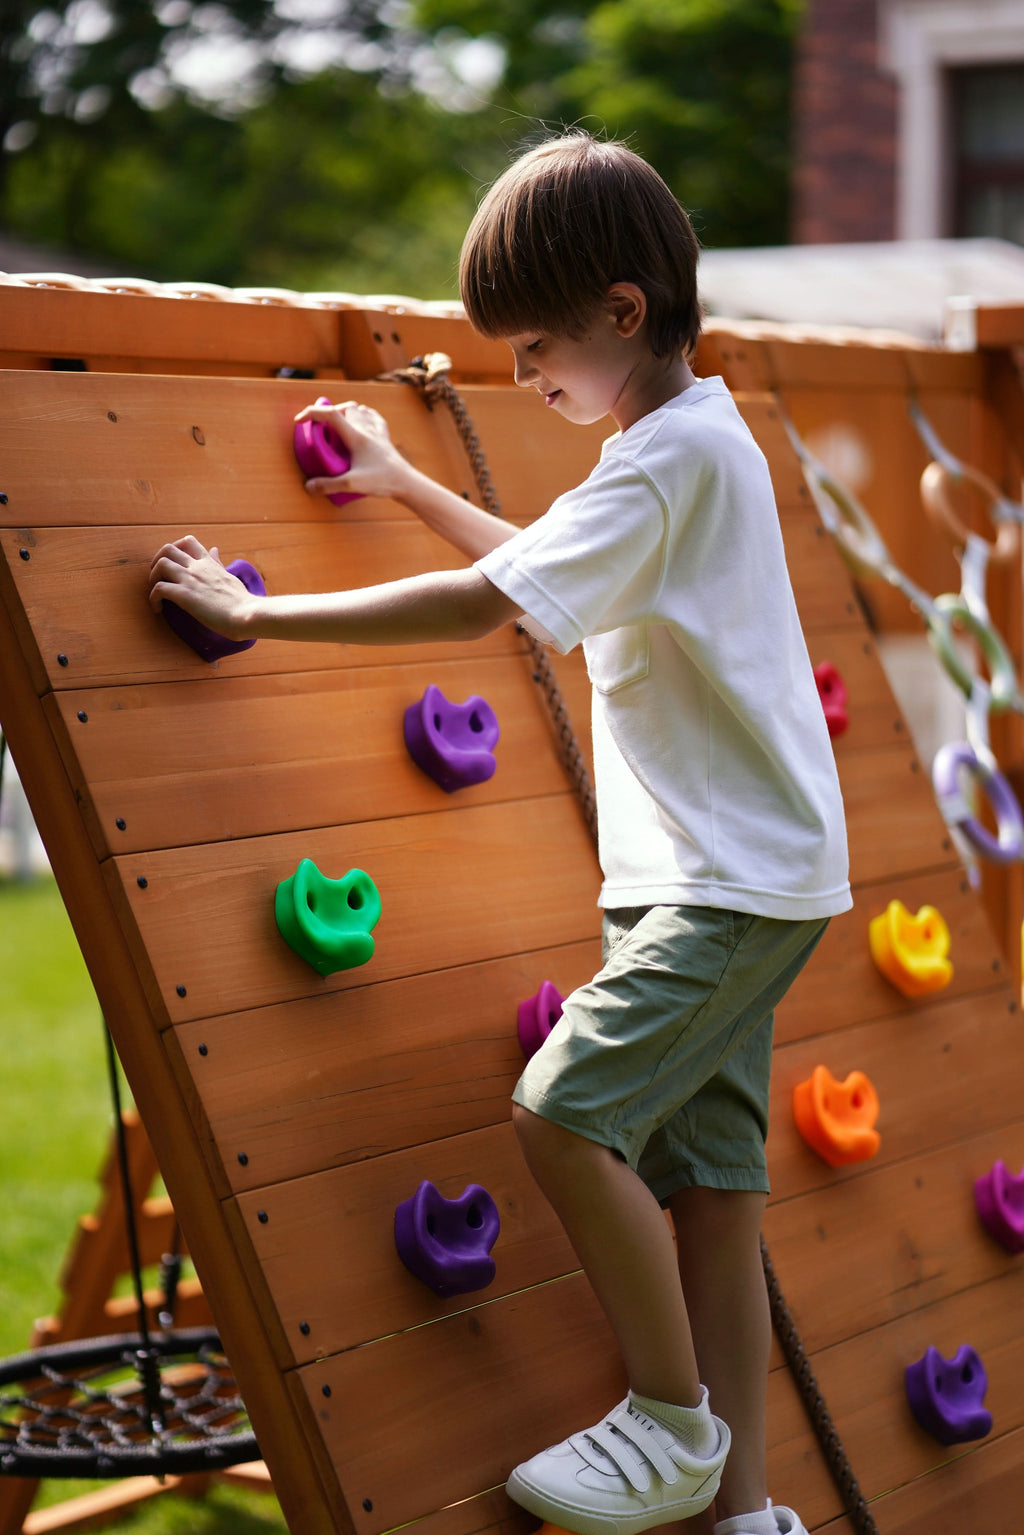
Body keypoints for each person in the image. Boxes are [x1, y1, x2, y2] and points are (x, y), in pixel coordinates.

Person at [150, 130, 851, 1535]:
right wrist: (408, 486)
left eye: (534, 347)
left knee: (563, 1114)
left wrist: (251, 612)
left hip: (726, 885)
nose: (525, 375)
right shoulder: (681, 447)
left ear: (622, 312)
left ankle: (670, 1425)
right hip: (727, 879)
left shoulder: (666, 464)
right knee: (713, 1192)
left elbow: (486, 605)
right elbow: (534, 572)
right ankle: (747, 1515)